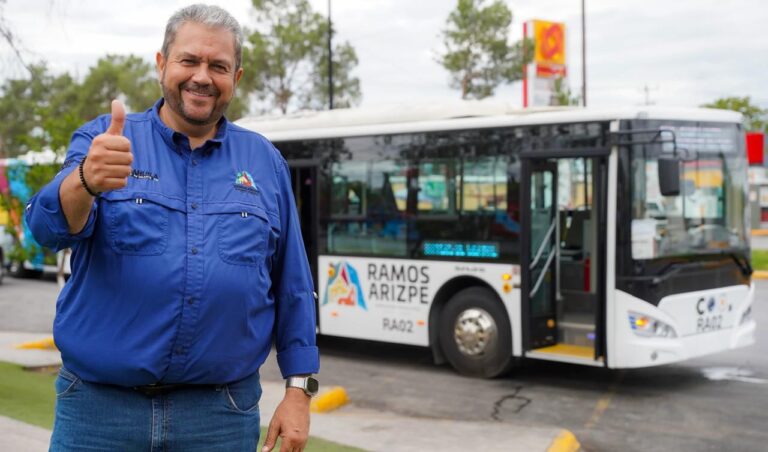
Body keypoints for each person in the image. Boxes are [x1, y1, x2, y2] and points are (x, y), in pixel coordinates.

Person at [26, 4, 319, 451]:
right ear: (162, 64)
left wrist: (299, 389)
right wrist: (84, 180)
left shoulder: (265, 162)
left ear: (236, 78)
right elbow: (46, 230)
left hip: (220, 418)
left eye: (218, 66)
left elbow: (292, 284)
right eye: (189, 60)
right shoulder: (105, 140)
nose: (202, 76)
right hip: (99, 414)